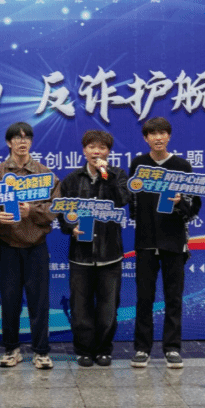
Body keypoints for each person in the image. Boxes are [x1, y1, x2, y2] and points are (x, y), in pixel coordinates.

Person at [129, 117, 201, 369]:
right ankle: (142, 348)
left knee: (173, 298)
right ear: (145, 138)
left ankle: (172, 348)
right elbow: (132, 201)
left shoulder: (182, 166)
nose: (158, 138)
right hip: (146, 242)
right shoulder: (138, 164)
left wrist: (181, 202)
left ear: (169, 136)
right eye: (153, 134)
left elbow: (194, 205)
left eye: (162, 133)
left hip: (174, 242)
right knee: (144, 298)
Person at [0, 122, 59, 370]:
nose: (22, 142)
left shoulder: (44, 174)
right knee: (10, 300)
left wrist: (33, 211)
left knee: (39, 301)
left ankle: (41, 352)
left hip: (36, 245)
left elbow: (55, 207)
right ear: (9, 142)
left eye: (26, 137)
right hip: (8, 245)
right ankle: (11, 350)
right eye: (17, 138)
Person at [58, 130, 130, 368]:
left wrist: (106, 176)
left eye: (102, 148)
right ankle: (84, 350)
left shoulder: (118, 175)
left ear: (108, 152)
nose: (96, 152)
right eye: (91, 147)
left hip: (110, 254)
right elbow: (62, 213)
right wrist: (71, 227)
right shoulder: (71, 180)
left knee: (108, 307)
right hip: (81, 256)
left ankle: (104, 350)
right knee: (80, 307)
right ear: (84, 150)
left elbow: (123, 200)